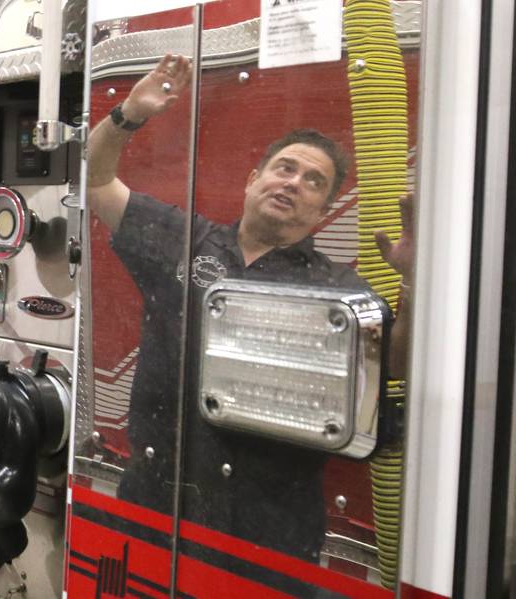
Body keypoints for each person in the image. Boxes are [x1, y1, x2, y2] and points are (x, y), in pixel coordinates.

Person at [87, 54, 413, 566]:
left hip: (270, 527)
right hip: (156, 500)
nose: (292, 183)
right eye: (285, 168)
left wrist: (413, 285)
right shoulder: (181, 240)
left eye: (312, 181)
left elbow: (396, 363)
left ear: (323, 212)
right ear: (252, 178)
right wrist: (129, 113)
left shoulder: (339, 291)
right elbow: (97, 180)